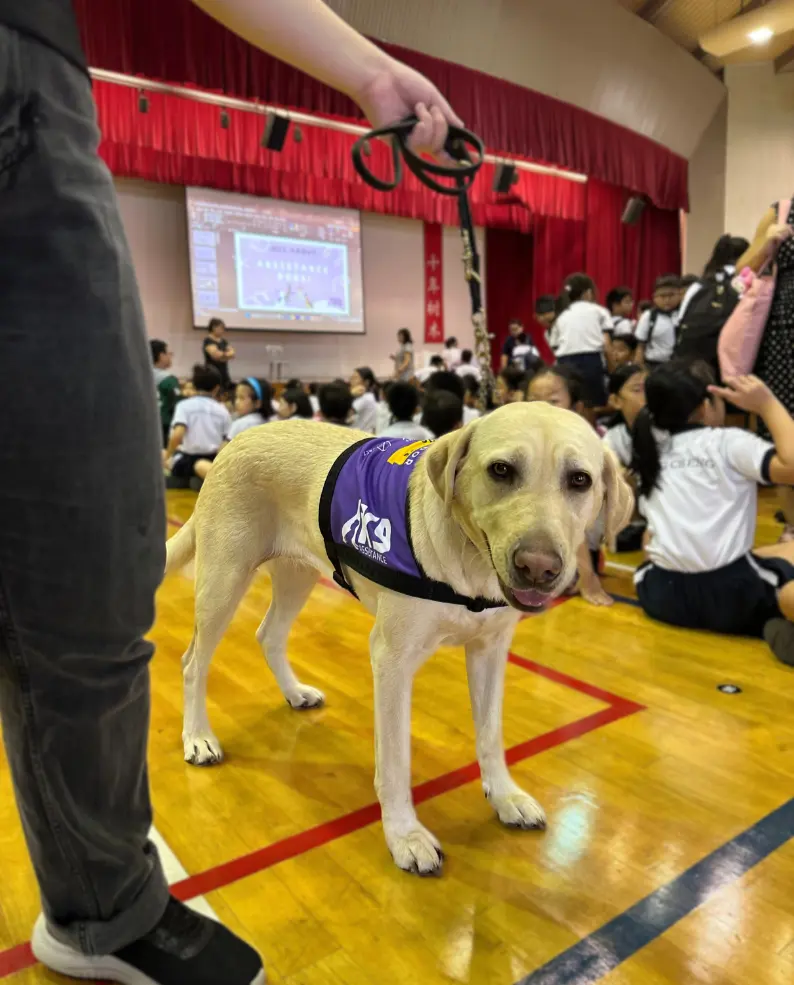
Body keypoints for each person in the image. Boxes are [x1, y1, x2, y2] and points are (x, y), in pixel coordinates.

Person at [0, 1, 461, 982]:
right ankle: (181, 738)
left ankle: (100, 905)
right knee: (165, 592)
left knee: (98, 567)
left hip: (33, 86)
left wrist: (366, 70)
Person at [632, 366, 794, 665]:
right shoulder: (726, 441)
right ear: (706, 407)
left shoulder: (651, 451)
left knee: (771, 553)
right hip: (734, 602)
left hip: (660, 596)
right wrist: (767, 403)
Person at [527, 365, 612, 605]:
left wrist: (588, 578)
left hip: (573, 545)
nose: (542, 410)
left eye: (553, 401)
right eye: (533, 401)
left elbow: (571, 519)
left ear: (576, 407)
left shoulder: (587, 445)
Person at [553, 273, 612, 407]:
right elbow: (607, 345)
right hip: (590, 361)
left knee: (568, 404)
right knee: (591, 405)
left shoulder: (561, 316)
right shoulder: (599, 311)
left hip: (564, 362)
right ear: (588, 292)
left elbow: (555, 346)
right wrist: (613, 370)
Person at [164, 365, 231, 481]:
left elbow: (177, 435)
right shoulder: (223, 410)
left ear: (194, 385)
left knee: (162, 454)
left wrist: (167, 456)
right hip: (212, 459)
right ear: (216, 388)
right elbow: (226, 441)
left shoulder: (184, 406)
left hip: (187, 460)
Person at [602, 364, 647, 469]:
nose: (648, 395)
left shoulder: (668, 431)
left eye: (650, 388)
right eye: (637, 390)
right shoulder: (612, 439)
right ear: (616, 401)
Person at [635, 275, 680, 370]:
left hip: (679, 367)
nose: (667, 300)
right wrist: (639, 370)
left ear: (679, 295)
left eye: (671, 295)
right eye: (662, 296)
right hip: (654, 366)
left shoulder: (684, 314)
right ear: (654, 298)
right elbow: (640, 347)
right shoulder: (649, 316)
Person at [151, 339, 181, 447]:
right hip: (163, 428)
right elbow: (177, 405)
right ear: (161, 355)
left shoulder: (139, 376)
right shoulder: (168, 380)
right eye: (169, 354)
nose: (170, 357)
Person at [202, 317, 235, 390]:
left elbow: (232, 353)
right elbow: (216, 355)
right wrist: (226, 355)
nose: (223, 330)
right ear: (214, 327)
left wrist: (222, 355)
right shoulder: (208, 340)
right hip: (212, 374)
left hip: (224, 374)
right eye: (221, 328)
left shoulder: (223, 341)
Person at [350, 366, 379, 433]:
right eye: (351, 377)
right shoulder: (363, 397)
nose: (351, 380)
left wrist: (350, 395)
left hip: (360, 438)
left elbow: (344, 414)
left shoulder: (366, 398)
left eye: (355, 378)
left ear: (366, 382)